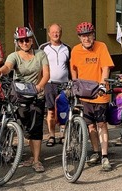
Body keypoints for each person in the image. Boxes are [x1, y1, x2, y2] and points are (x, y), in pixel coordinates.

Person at [0, 26, 50, 173]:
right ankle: (29, 155)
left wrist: (39, 86)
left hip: (37, 95)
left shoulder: (40, 54)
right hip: (20, 95)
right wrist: (0, 71)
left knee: (36, 128)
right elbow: (7, 67)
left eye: (27, 40)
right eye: (21, 40)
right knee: (25, 128)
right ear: (17, 42)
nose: (24, 43)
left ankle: (36, 160)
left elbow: (46, 74)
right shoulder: (14, 56)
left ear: (31, 41)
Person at [70, 22, 115, 171]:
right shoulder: (75, 50)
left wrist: (102, 84)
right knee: (90, 125)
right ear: (79, 38)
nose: (87, 38)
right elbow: (74, 69)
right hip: (84, 93)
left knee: (101, 124)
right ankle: (95, 152)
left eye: (89, 35)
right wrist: (74, 85)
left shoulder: (101, 46)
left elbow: (106, 68)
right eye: (83, 36)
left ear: (93, 35)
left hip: (99, 93)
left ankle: (105, 156)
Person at [39, 23, 72, 147]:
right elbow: (39, 66)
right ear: (48, 34)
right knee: (51, 111)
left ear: (61, 32)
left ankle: (63, 135)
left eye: (57, 32)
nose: (55, 34)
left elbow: (71, 66)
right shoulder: (43, 48)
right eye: (53, 32)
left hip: (64, 84)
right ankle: (51, 135)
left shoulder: (67, 48)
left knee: (63, 110)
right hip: (49, 83)